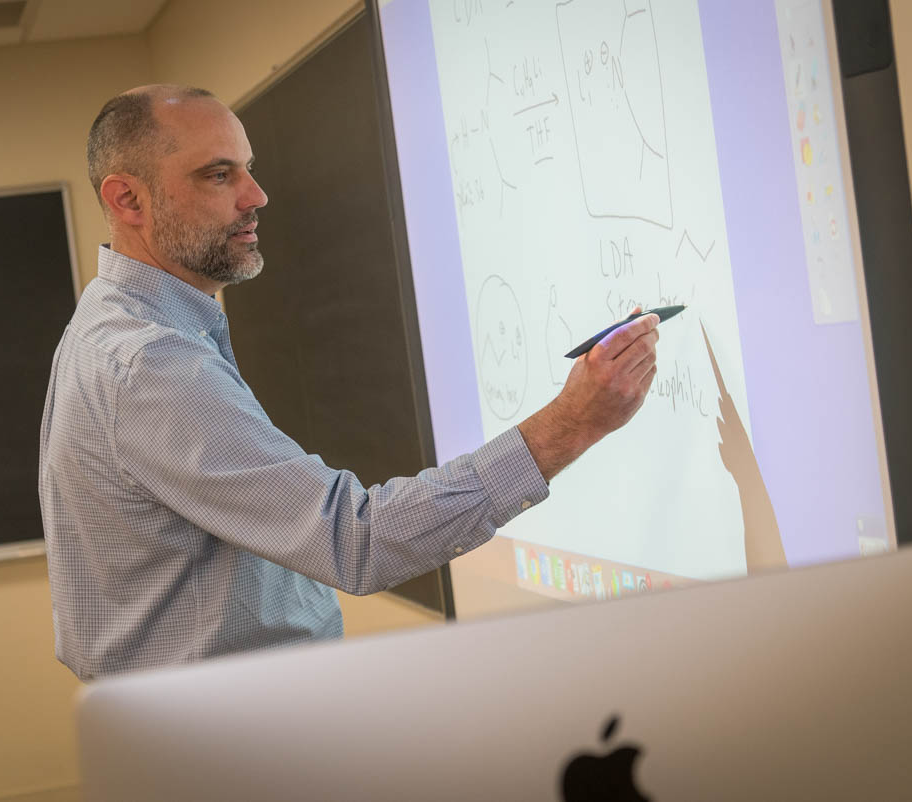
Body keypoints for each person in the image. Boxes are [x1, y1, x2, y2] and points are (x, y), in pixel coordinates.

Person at [39, 85, 660, 680]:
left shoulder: (117, 323)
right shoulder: (149, 364)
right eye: (219, 174)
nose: (257, 195)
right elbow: (355, 540)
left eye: (248, 168)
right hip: (232, 742)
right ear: (128, 201)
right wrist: (572, 424)